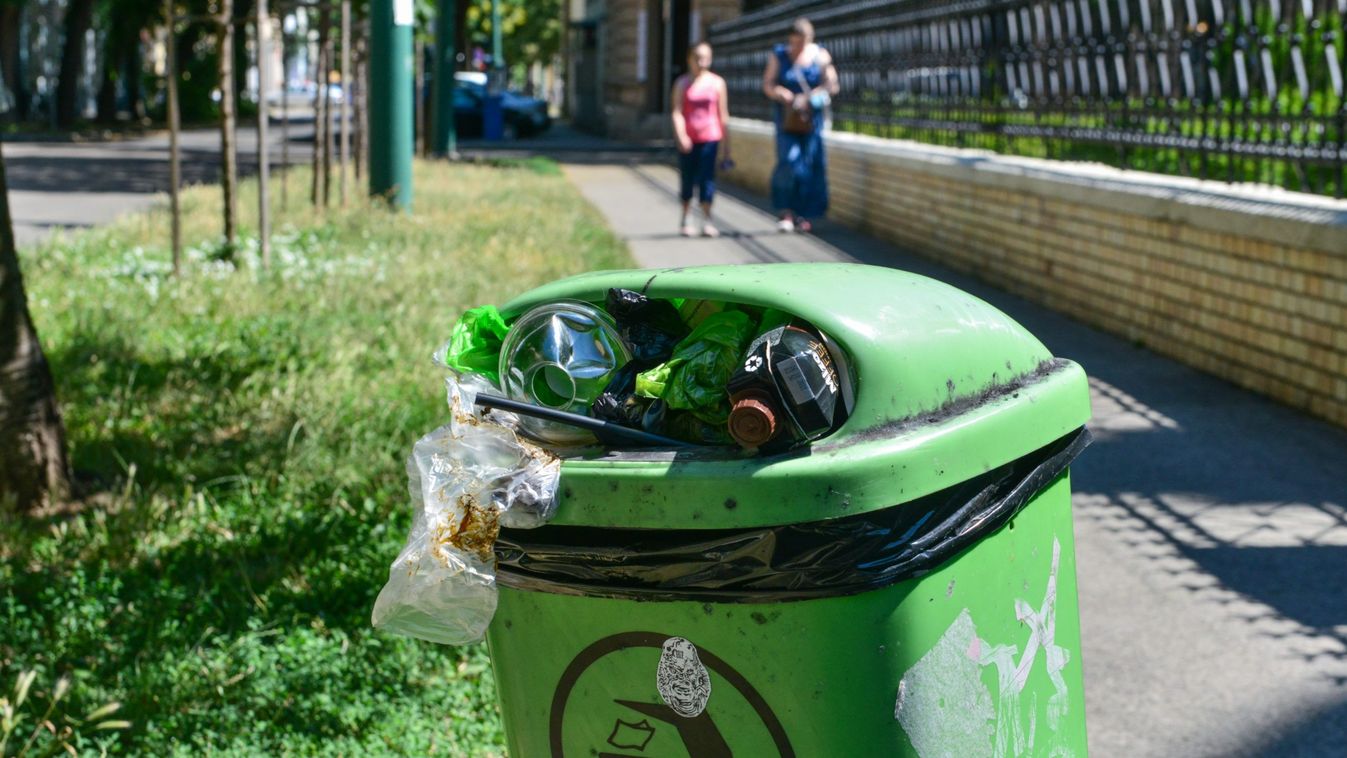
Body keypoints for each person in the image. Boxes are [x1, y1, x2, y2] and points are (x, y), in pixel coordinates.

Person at [762, 17, 839, 234]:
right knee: (789, 160)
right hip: (787, 119)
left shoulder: (820, 55)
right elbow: (768, 84)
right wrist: (781, 93)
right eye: (795, 42)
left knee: (810, 163)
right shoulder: (780, 55)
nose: (798, 47)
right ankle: (786, 211)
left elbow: (832, 84)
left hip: (811, 119)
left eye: (802, 42)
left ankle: (804, 214)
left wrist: (814, 95)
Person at [671, 42, 731, 238]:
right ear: (690, 59)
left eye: (706, 58)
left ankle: (707, 219)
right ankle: (686, 217)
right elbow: (677, 112)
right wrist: (681, 135)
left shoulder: (717, 83)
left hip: (710, 137)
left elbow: (723, 114)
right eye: (698, 58)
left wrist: (727, 146)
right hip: (689, 139)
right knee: (687, 178)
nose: (702, 62)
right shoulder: (682, 83)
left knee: (707, 180)